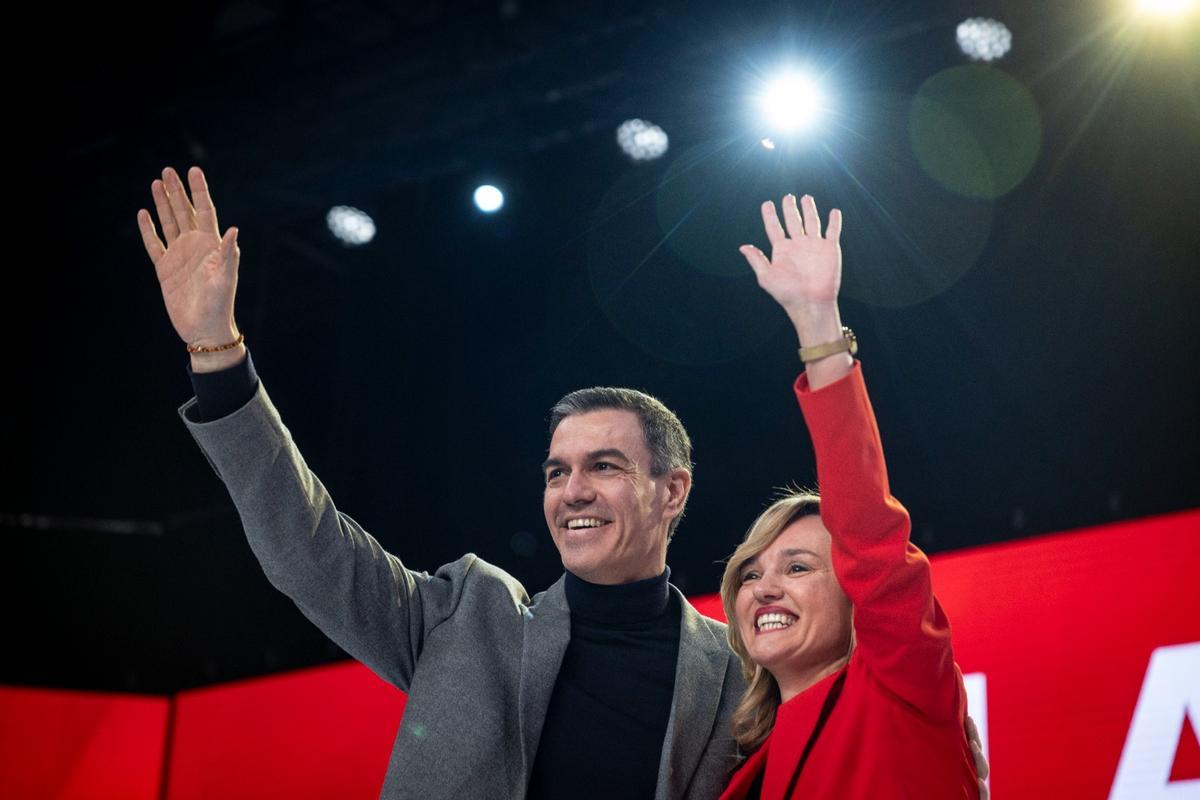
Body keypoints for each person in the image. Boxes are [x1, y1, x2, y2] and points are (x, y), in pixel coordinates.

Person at [136, 166, 743, 800]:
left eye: (605, 466)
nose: (573, 492)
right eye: (557, 471)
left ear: (672, 490)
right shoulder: (467, 618)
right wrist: (216, 352)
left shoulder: (739, 672)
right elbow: (307, 548)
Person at [716, 194, 983, 798]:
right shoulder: (734, 777)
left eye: (799, 566)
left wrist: (817, 323)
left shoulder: (900, 686)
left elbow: (868, 529)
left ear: (858, 592)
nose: (765, 588)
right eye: (752, 573)